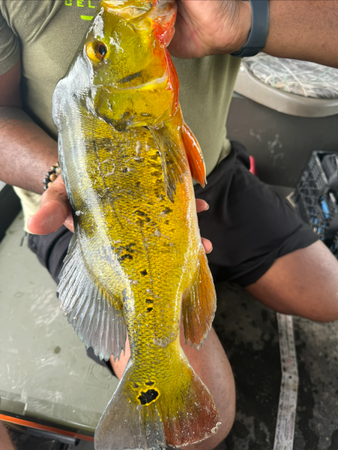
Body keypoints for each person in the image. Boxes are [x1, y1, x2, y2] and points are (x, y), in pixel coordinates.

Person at [1, 1, 338, 449]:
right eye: (103, 50)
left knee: (329, 297)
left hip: (213, 177)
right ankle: (161, 329)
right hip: (85, 218)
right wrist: (70, 180)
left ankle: (196, 280)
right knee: (203, 427)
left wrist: (243, 19)